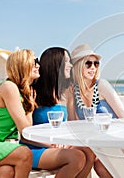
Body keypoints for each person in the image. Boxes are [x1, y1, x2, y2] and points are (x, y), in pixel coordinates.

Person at [21, 47, 95, 177]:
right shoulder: (33, 92)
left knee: (89, 152)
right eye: (67, 61)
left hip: (58, 146)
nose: (71, 65)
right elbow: (24, 134)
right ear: (56, 64)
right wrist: (52, 144)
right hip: (34, 149)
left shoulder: (65, 92)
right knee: (76, 157)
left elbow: (72, 124)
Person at [67, 44, 124, 177]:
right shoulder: (73, 91)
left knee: (99, 161)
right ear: (77, 66)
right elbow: (73, 125)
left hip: (120, 140)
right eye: (88, 63)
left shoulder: (102, 85)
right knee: (88, 157)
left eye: (96, 63)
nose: (93, 67)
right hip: (97, 145)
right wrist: (70, 98)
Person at [0, 49, 39, 177]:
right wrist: (30, 106)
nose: (38, 65)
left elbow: (27, 134)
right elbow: (25, 130)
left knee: (6, 172)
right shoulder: (9, 87)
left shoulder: (22, 93)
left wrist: (29, 105)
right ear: (22, 64)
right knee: (24, 154)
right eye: (34, 61)